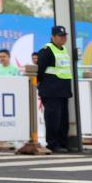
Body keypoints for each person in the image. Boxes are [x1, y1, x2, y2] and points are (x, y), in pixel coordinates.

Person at [37, 25, 73, 153]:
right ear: (53, 36)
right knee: (53, 119)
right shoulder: (46, 50)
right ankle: (52, 144)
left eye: (64, 36)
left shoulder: (64, 50)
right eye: (60, 36)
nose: (63, 38)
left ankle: (63, 143)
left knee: (63, 120)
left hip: (63, 90)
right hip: (51, 90)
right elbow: (40, 70)